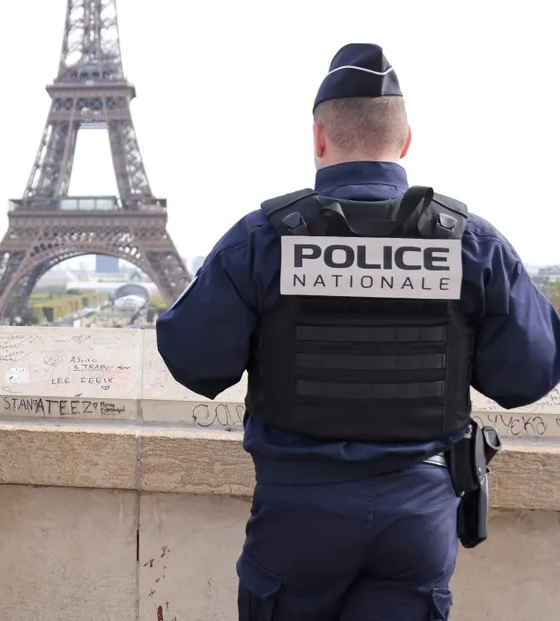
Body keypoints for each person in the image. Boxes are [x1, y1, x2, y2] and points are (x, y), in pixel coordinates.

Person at [156, 43, 560, 621]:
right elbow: (527, 376)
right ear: (406, 141)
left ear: (319, 138)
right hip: (418, 513)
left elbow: (195, 362)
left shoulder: (263, 237)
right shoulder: (470, 241)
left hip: (299, 516)